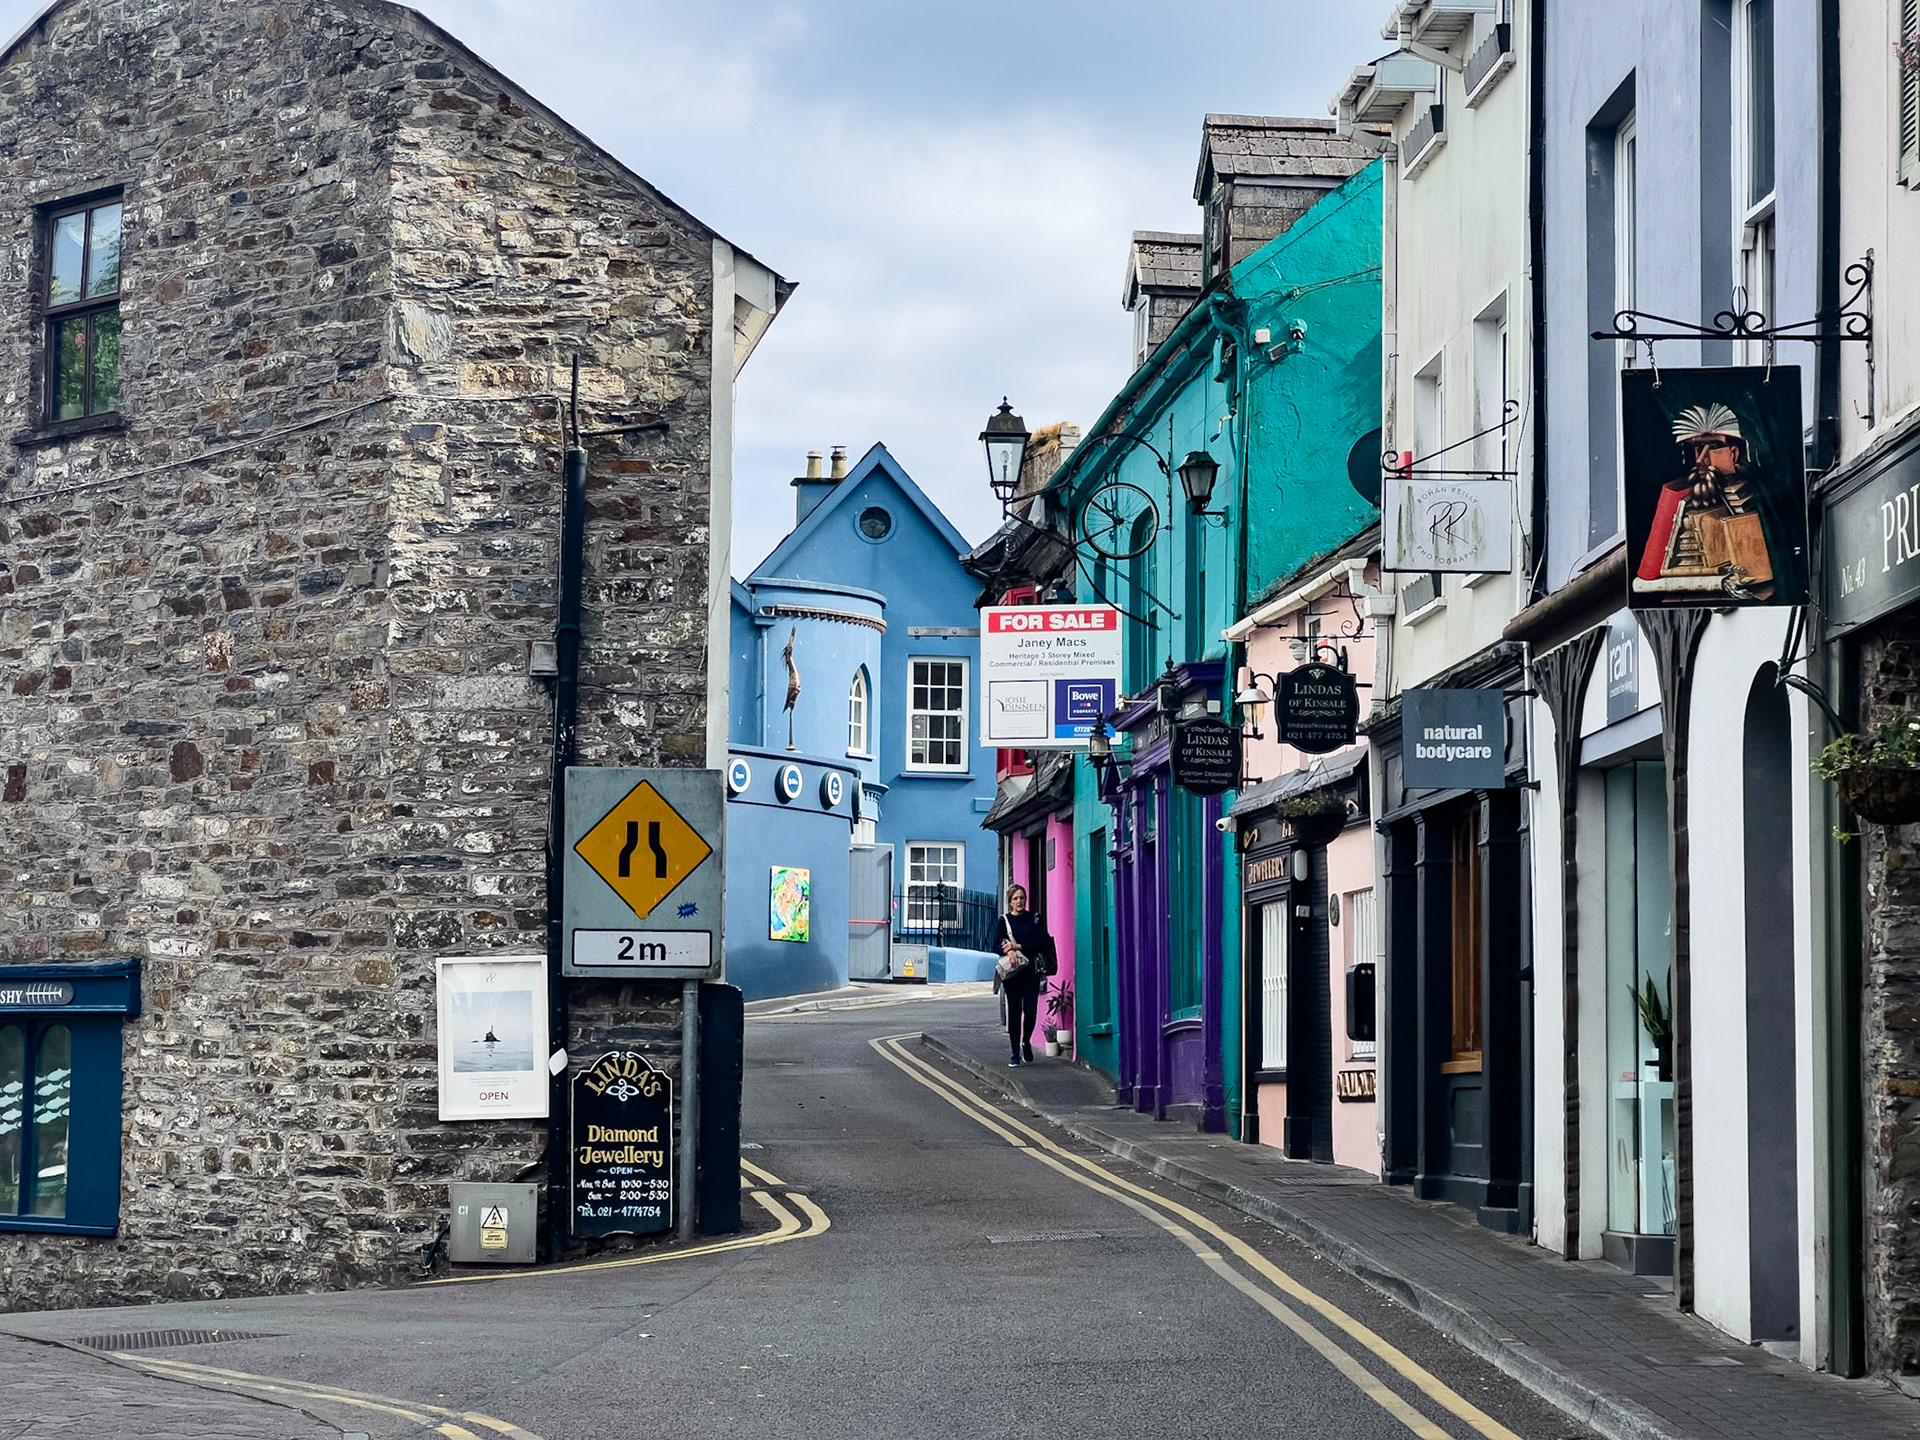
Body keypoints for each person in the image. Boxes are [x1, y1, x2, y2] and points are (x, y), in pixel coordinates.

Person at [998, 883, 1055, 1066]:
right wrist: (1008, 951)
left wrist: (1018, 947)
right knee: (1014, 1013)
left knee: (1030, 1011)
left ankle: (1026, 1041)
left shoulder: (1034, 919)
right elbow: (995, 944)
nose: (1019, 901)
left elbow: (1040, 941)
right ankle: (1015, 1052)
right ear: (1010, 902)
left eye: (1022, 897)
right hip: (1013, 973)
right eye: (1015, 898)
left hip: (1031, 971)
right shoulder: (1004, 921)